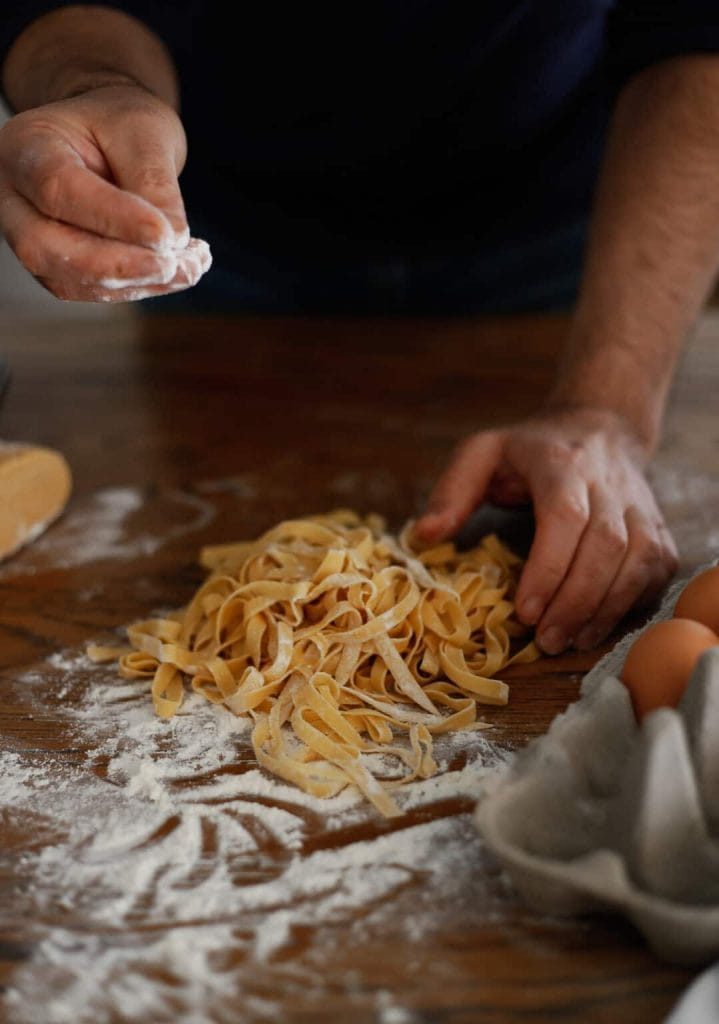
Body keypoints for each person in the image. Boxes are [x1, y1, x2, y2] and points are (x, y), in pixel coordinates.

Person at [1, 3, 717, 656]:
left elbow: (694, 32)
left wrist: (605, 406)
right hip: (215, 218)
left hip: (570, 218)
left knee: (558, 525)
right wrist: (101, 87)